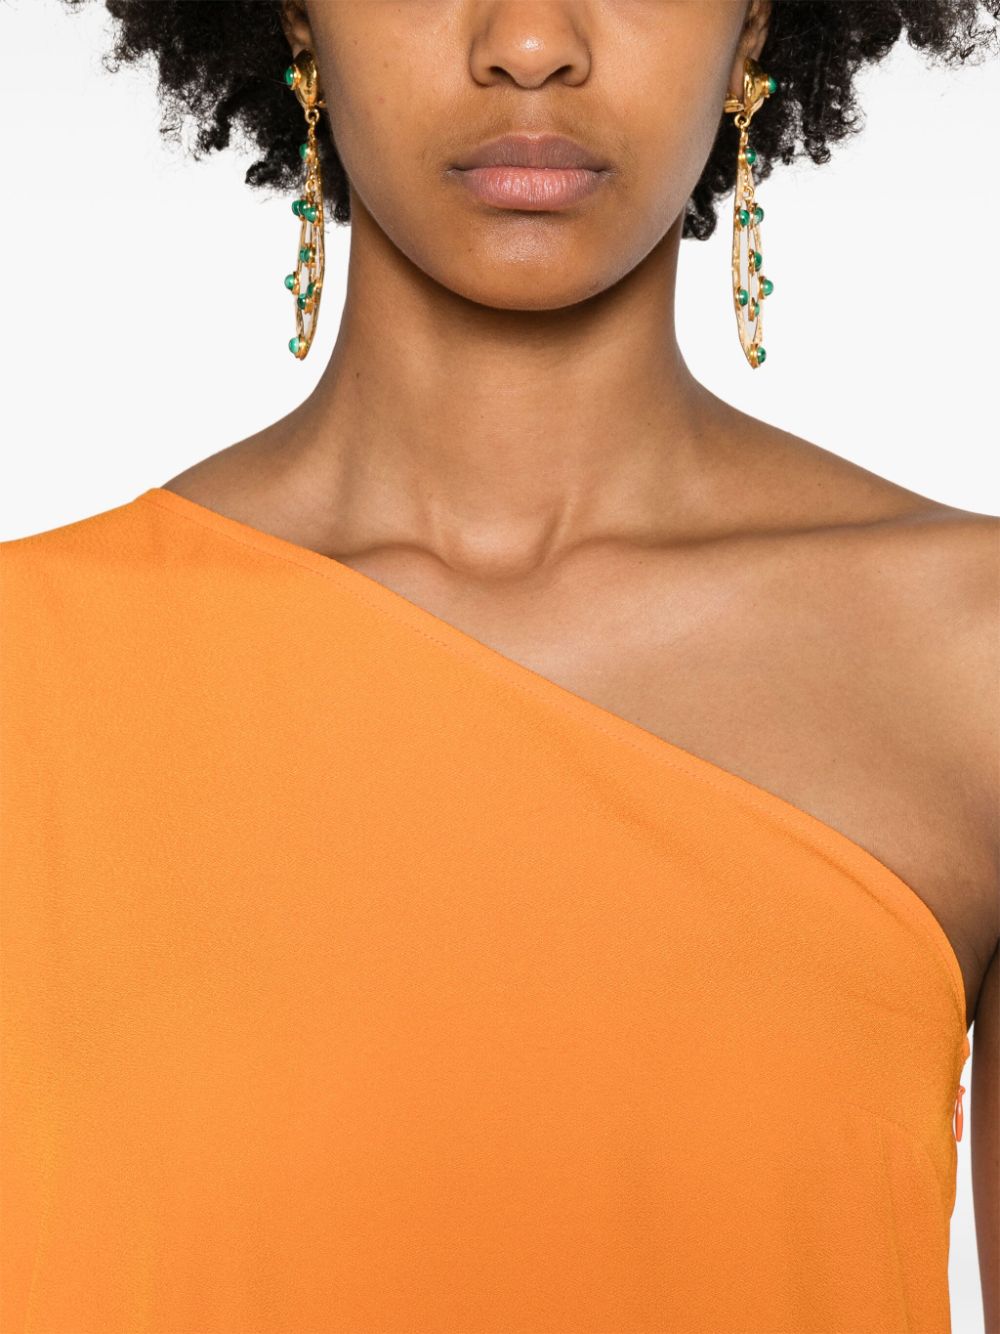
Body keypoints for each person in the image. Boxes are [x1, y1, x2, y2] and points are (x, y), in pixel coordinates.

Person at [2, 2, 997, 1331]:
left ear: (757, 24)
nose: (529, 43)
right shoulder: (28, 670)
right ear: (295, 16)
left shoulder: (971, 659)